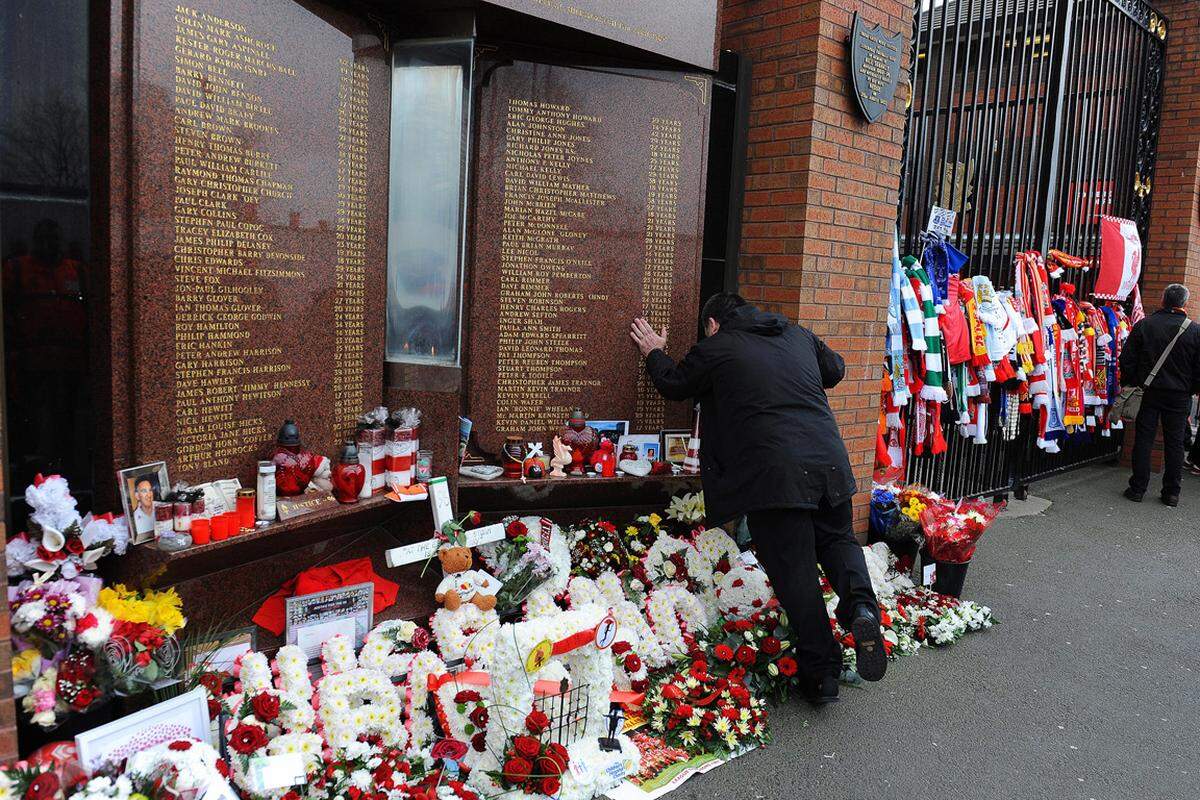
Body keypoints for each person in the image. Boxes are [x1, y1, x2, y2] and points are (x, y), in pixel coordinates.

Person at [629, 293, 886, 704]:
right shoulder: (796, 334)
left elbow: (675, 384)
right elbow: (835, 369)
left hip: (774, 476)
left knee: (796, 571)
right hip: (829, 462)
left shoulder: (717, 347)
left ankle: (822, 675)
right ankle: (863, 610)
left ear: (713, 323)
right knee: (839, 542)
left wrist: (655, 352)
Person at [1120, 283, 1200, 506]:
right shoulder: (1195, 331)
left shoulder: (1145, 325)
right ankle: (1171, 493)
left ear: (1164, 300)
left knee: (1143, 439)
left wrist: (1132, 383)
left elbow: (1127, 360)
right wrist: (1191, 390)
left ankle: (1137, 488)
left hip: (1147, 391)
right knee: (1174, 444)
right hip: (1179, 395)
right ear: (1184, 303)